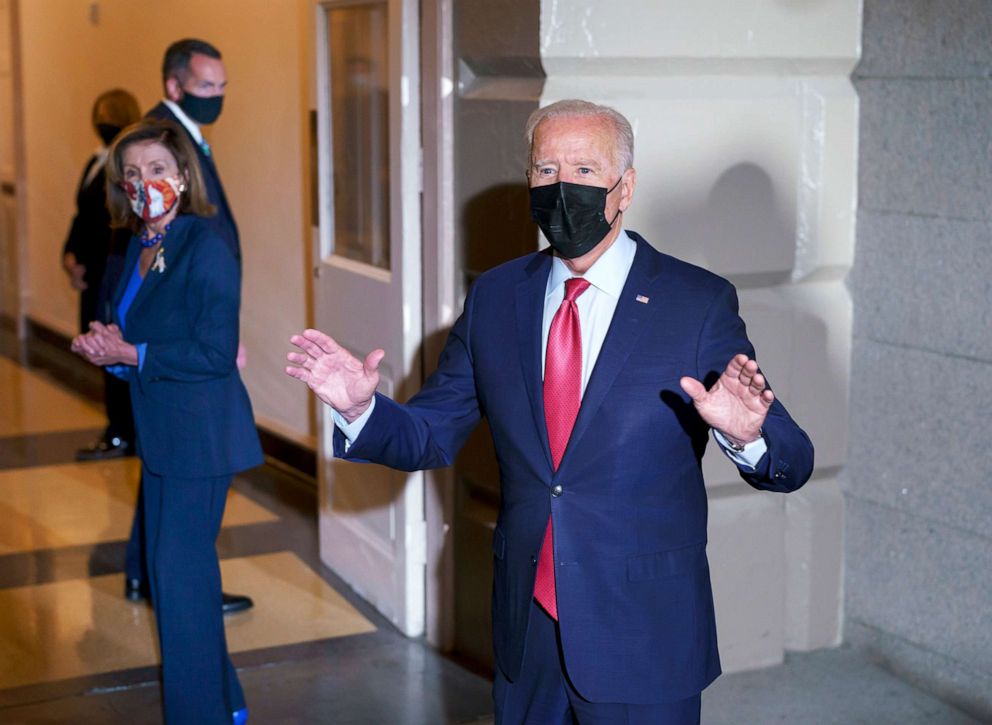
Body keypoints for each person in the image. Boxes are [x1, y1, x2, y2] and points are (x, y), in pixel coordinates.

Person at [286, 100, 815, 724]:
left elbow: (793, 459)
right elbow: (429, 434)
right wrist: (362, 409)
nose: (564, 187)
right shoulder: (497, 296)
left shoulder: (695, 303)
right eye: (546, 170)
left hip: (642, 631)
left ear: (626, 188)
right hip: (527, 626)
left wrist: (749, 436)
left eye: (586, 170)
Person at [71, 119, 261, 724]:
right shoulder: (137, 244)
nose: (142, 181)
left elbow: (213, 351)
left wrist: (131, 355)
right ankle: (223, 704)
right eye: (131, 173)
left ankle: (197, 714)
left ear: (182, 175)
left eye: (156, 169)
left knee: (177, 586)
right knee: (182, 578)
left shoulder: (206, 244)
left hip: (200, 438)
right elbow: (141, 335)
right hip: (163, 434)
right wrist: (112, 346)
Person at [122, 37, 253, 614]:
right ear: (174, 86)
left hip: (193, 360)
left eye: (222, 88)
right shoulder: (161, 142)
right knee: (179, 551)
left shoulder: (186, 139)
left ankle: (152, 575)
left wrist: (218, 324)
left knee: (177, 544)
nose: (216, 98)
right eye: (206, 88)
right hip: (183, 383)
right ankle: (156, 577)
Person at [63, 89, 141, 461]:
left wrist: (92, 268)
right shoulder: (96, 161)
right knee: (99, 347)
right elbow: (82, 216)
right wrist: (70, 255)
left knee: (114, 349)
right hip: (91, 273)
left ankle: (122, 431)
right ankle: (117, 427)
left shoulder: (125, 169)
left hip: (109, 272)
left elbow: (116, 229)